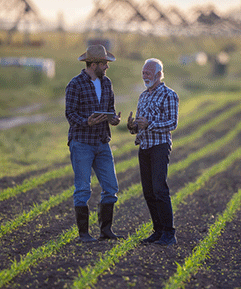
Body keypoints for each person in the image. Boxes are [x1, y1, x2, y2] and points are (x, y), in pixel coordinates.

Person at [65, 44, 122, 242]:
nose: (107, 67)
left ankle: (106, 231)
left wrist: (114, 119)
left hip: (102, 142)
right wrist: (85, 121)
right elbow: (70, 113)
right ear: (94, 64)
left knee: (111, 187)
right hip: (82, 143)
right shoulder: (75, 84)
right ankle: (84, 234)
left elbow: (111, 109)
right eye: (105, 63)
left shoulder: (107, 84)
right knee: (82, 189)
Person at [127, 58, 179, 246]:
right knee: (148, 192)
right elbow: (141, 125)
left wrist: (150, 124)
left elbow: (172, 123)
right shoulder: (143, 96)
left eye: (148, 72)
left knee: (159, 189)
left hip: (159, 146)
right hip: (144, 146)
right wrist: (133, 126)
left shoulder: (169, 95)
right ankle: (157, 231)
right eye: (143, 72)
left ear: (159, 74)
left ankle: (169, 232)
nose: (145, 75)